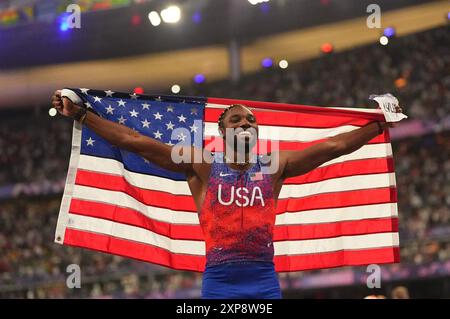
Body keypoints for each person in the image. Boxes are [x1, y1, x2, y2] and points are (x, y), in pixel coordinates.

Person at [51, 90, 402, 299]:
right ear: (222, 130)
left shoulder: (274, 165)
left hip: (264, 280)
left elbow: (336, 145)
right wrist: (83, 114)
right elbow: (135, 142)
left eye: (250, 121)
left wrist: (378, 123)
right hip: (220, 282)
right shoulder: (201, 164)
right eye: (237, 121)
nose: (246, 124)